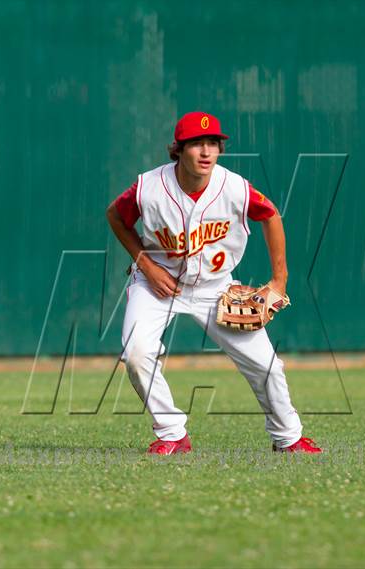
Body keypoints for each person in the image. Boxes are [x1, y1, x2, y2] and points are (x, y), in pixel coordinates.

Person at [107, 111, 322, 455]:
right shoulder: (148, 187)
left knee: (266, 365)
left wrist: (279, 281)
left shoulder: (233, 187)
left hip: (214, 287)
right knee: (136, 353)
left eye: (213, 144)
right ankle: (172, 434)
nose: (206, 152)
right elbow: (116, 216)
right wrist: (145, 263)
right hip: (156, 285)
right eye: (197, 144)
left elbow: (270, 214)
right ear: (178, 150)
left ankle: (289, 438)